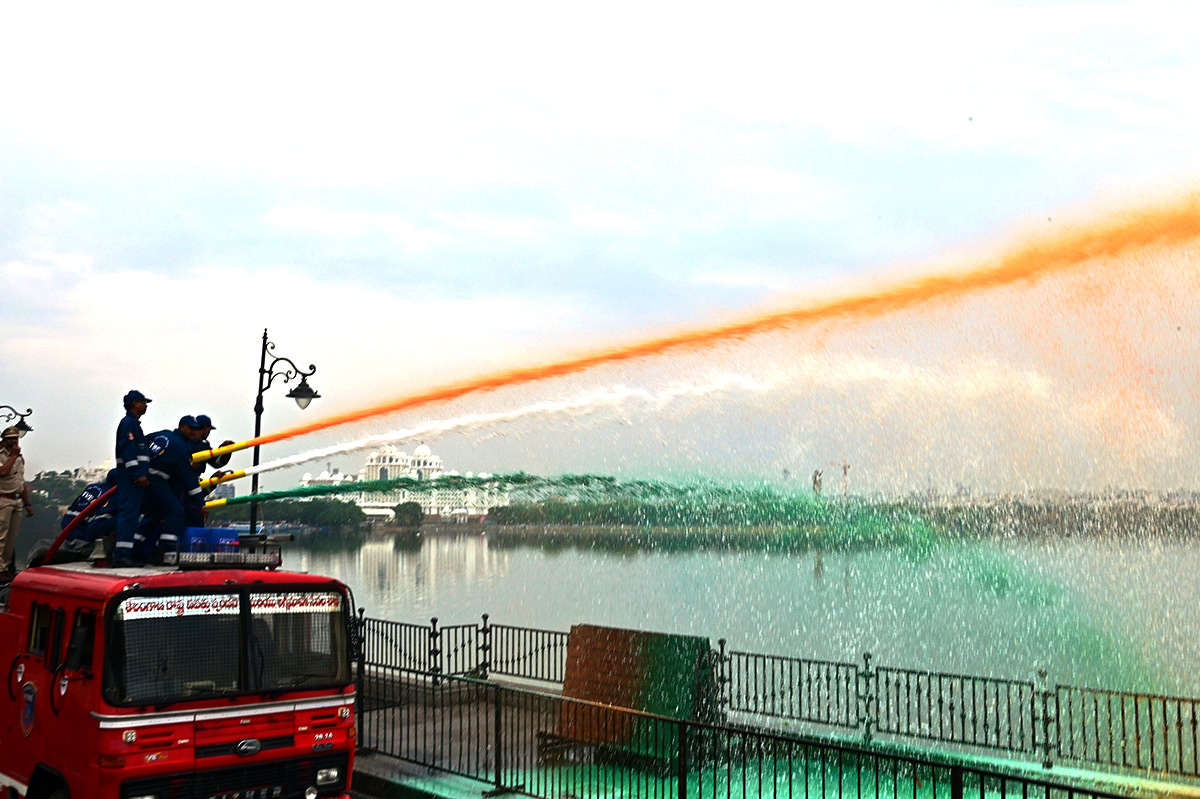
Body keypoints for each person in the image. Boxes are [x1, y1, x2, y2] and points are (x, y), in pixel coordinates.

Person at [141, 416, 205, 558]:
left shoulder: (162, 434)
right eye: (190, 428)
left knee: (152, 515)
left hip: (143, 480)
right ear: (181, 427)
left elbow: (142, 441)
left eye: (195, 429)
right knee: (176, 513)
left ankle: (135, 548)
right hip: (157, 481)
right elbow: (189, 480)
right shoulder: (180, 447)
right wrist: (201, 503)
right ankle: (164, 551)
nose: (193, 432)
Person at [114, 390, 152, 566]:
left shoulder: (133, 424)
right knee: (128, 514)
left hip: (133, 479)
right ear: (135, 403)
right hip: (131, 479)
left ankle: (125, 553)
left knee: (132, 514)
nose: (145, 406)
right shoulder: (129, 424)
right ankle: (121, 555)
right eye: (144, 402)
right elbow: (129, 451)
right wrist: (138, 475)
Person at [59, 469, 119, 560]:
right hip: (81, 538)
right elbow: (93, 531)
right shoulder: (113, 496)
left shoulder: (92, 487)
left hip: (67, 531)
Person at [0, 427, 33, 582]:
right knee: (1, 537)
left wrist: (27, 503)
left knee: (11, 539)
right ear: (4, 440)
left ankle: (4, 568)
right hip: (3, 499)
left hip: (16, 500)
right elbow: (3, 472)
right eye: (10, 438)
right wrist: (12, 456)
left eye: (15, 438)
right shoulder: (4, 455)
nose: (13, 441)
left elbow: (21, 482)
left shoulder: (19, 458)